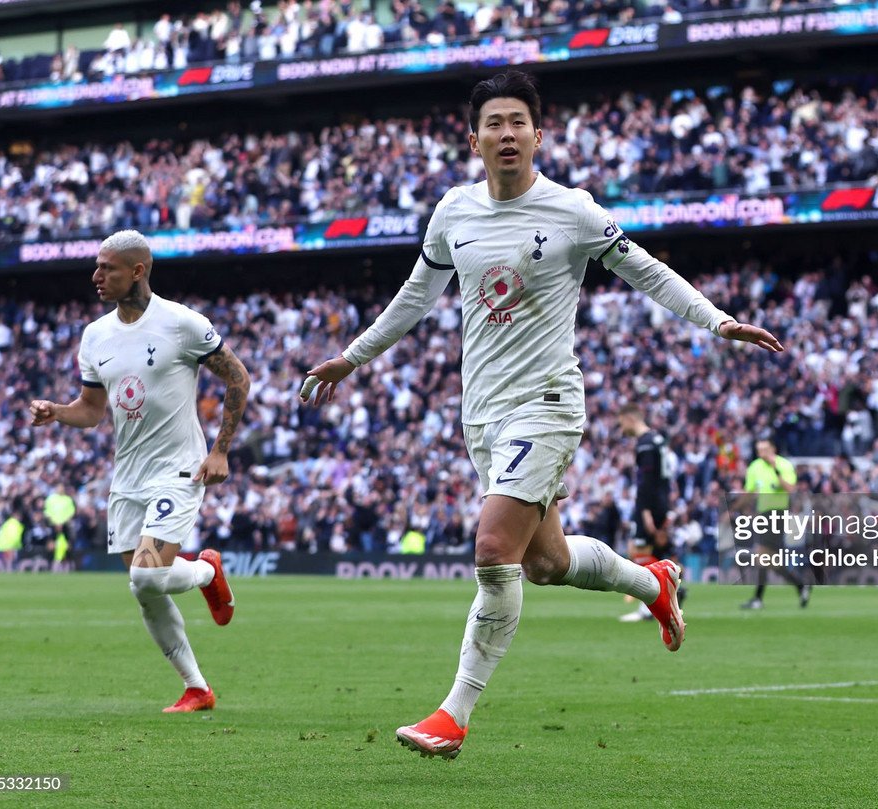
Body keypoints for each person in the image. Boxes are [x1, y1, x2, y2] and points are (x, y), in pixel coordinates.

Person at [300, 70, 783, 759]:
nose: (506, 134)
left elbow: (645, 269)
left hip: (548, 403)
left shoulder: (572, 210)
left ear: (537, 133)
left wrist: (718, 319)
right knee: (547, 563)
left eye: (517, 122)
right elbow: (415, 295)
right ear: (474, 139)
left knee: (494, 549)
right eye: (493, 123)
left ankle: (453, 713)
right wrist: (352, 357)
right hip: (483, 416)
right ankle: (656, 580)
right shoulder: (452, 213)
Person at [29, 230, 250, 713]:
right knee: (143, 589)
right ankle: (197, 688)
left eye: (107, 267)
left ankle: (206, 570)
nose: (96, 276)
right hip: (127, 477)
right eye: (96, 266)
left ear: (138, 270)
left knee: (149, 579)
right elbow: (90, 409)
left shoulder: (182, 323)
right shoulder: (95, 335)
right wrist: (56, 413)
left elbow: (237, 376)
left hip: (179, 469)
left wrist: (220, 450)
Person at [617, 402, 683, 623]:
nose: (621, 429)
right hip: (661, 502)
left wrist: (644, 511)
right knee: (659, 552)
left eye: (621, 423)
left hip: (650, 505)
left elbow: (646, 481)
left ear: (630, 418)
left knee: (638, 552)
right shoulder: (658, 440)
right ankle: (675, 589)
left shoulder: (645, 444)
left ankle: (649, 608)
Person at [740, 436, 812, 610]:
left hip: (777, 514)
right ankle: (800, 585)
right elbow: (749, 491)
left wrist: (776, 470)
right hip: (763, 515)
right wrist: (737, 506)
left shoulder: (784, 465)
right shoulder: (754, 467)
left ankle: (758, 599)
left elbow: (790, 489)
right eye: (759, 450)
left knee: (762, 555)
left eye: (764, 449)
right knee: (768, 560)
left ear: (773, 449)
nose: (761, 453)